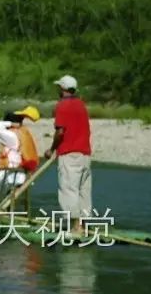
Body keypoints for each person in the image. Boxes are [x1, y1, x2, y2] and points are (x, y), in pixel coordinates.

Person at [46, 75, 92, 237]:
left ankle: (76, 228)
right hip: (85, 154)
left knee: (69, 189)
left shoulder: (63, 106)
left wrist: (51, 149)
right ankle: (85, 226)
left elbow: (60, 132)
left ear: (63, 89)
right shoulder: (81, 104)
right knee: (83, 190)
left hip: (70, 153)